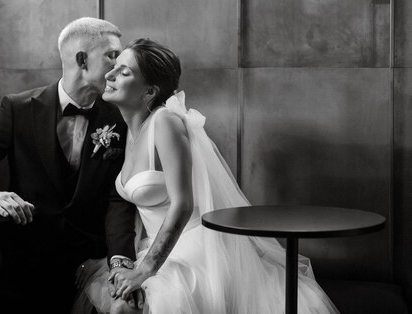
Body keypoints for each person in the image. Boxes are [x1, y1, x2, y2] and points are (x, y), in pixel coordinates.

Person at [73, 38, 339, 314]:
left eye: (124, 72)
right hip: (152, 243)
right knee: (112, 296)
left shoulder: (164, 122)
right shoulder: (126, 128)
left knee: (126, 309)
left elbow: (182, 204)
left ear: (149, 91)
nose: (109, 74)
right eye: (114, 67)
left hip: (192, 247)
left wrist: (145, 270)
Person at [0, 18, 143, 313]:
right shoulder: (18, 108)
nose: (118, 66)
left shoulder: (120, 117)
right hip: (22, 261)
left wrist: (120, 260)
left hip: (90, 262)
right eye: (112, 55)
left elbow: (118, 198)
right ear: (82, 60)